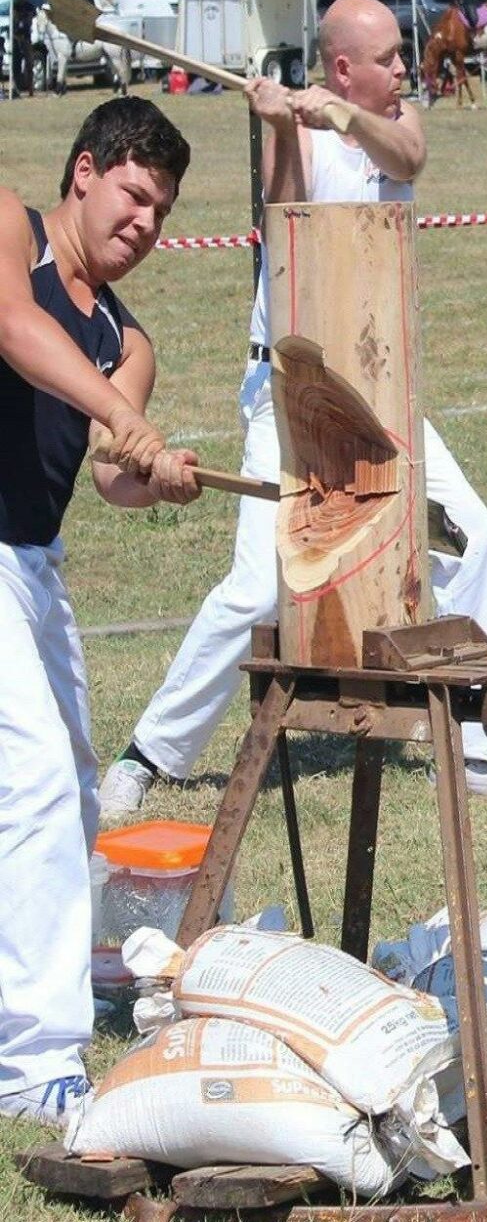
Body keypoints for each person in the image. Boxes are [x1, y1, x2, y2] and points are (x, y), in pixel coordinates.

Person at [104, 0, 487, 821]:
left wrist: (343, 113)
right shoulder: (298, 131)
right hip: (293, 390)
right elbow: (287, 215)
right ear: (342, 65)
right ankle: (147, 756)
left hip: (381, 390)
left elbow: (409, 157)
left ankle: (473, 749)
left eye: (403, 55)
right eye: (388, 58)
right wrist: (279, 124)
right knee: (261, 587)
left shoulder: (392, 123)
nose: (405, 67)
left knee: (473, 536)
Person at [0, 97, 201, 1126]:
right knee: (30, 781)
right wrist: (125, 415)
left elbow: (110, 478)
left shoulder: (129, 339)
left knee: (71, 797)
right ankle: (34, 1063)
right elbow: (14, 327)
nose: (144, 227)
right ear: (84, 172)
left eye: (161, 213)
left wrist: (153, 477)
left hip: (31, 566)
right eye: (133, 196)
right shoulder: (10, 228)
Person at [32, 0, 67, 96]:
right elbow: (40, 30)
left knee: (61, 60)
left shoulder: (57, 25)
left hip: (55, 42)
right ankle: (60, 85)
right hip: (46, 44)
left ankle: (60, 86)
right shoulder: (40, 18)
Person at [11, 0, 36, 97]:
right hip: (15, 38)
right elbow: (14, 20)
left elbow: (31, 20)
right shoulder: (14, 7)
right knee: (15, 64)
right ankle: (16, 88)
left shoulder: (29, 7)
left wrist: (26, 20)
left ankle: (30, 88)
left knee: (29, 64)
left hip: (26, 38)